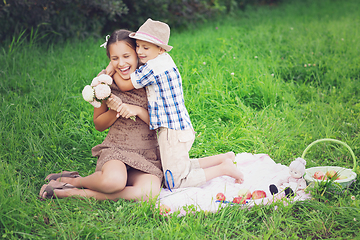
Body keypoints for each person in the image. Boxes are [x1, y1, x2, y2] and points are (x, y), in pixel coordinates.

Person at [106, 19, 244, 190]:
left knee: (175, 181)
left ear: (160, 49)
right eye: (138, 46)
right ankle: (223, 158)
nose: (140, 51)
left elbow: (125, 85)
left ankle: (223, 168)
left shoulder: (153, 68)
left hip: (171, 131)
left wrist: (110, 69)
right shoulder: (163, 60)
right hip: (179, 126)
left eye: (145, 47)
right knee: (177, 167)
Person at [39, 29, 163, 201]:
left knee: (148, 193)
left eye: (126, 56)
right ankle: (74, 181)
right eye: (115, 58)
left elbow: (162, 123)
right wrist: (115, 111)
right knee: (114, 182)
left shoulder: (152, 79)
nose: (121, 63)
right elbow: (99, 124)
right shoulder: (105, 83)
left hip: (147, 154)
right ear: (110, 60)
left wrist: (139, 110)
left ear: (137, 53)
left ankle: (70, 192)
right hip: (117, 149)